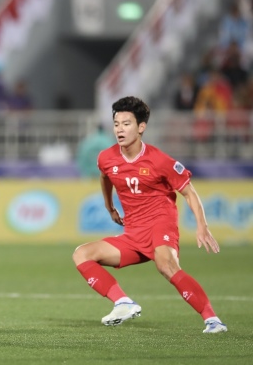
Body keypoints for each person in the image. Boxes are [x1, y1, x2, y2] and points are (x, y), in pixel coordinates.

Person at [72, 96, 227, 334]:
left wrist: (202, 225)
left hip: (160, 226)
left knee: (166, 266)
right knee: (82, 254)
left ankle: (213, 320)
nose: (119, 129)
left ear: (141, 127)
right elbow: (105, 176)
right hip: (133, 233)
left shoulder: (160, 160)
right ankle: (123, 302)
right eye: (116, 124)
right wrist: (109, 206)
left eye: (126, 123)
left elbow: (189, 193)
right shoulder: (106, 157)